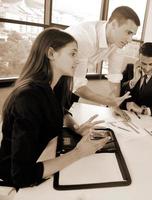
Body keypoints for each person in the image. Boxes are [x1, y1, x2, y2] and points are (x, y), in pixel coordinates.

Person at [0, 28, 110, 188]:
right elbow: (22, 175)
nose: (77, 60)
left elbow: (61, 111)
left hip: (44, 154)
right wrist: (78, 153)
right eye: (73, 54)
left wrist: (75, 127)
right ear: (51, 54)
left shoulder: (56, 86)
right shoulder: (28, 97)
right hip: (16, 177)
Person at [65, 6, 140, 108]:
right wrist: (108, 102)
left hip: (71, 79)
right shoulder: (85, 38)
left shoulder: (118, 43)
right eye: (128, 32)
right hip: (48, 75)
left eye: (133, 35)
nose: (130, 40)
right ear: (113, 24)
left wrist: (115, 105)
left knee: (70, 114)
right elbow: (77, 86)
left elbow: (115, 78)